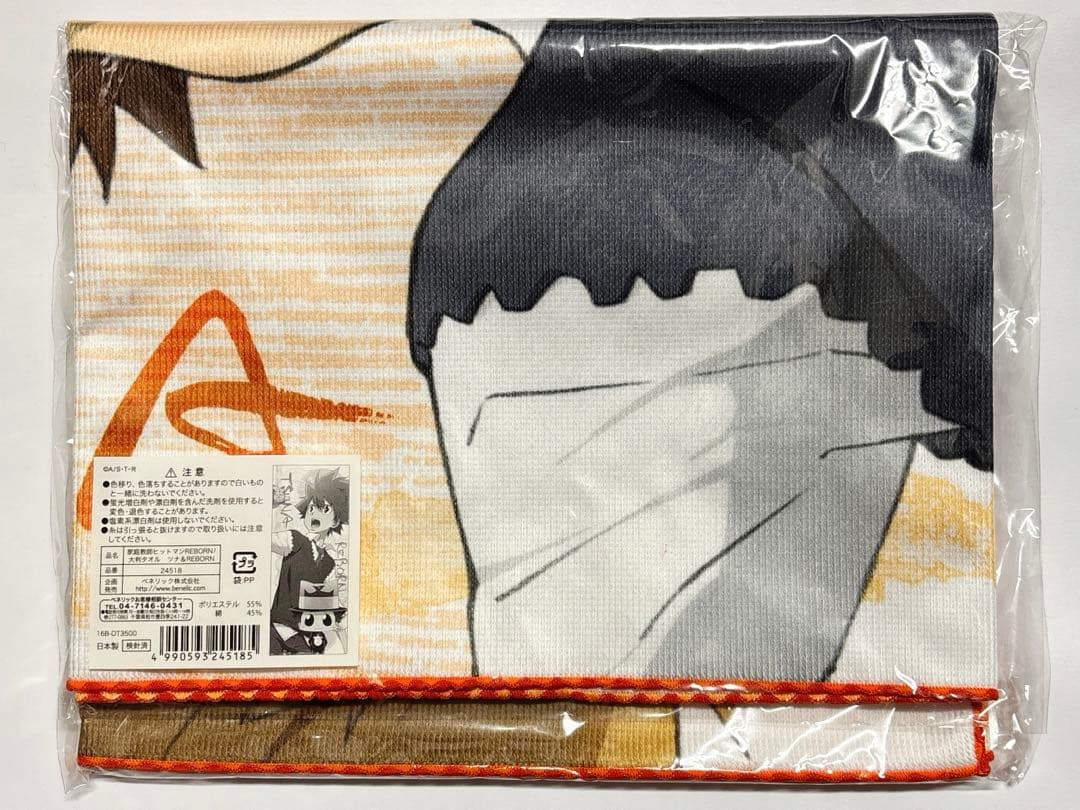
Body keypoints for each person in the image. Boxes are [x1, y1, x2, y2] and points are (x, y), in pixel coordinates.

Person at [269, 468, 350, 655]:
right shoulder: (294, 539)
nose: (314, 514)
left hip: (306, 632)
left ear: (335, 521)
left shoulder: (329, 563)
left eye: (324, 509)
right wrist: (268, 505)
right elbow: (261, 538)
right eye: (311, 508)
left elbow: (329, 604)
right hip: (278, 628)